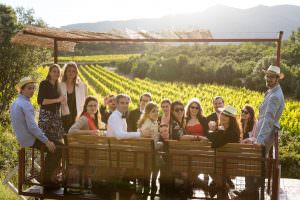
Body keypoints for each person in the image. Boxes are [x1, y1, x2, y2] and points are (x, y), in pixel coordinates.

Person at [236, 65, 285, 200]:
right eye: (267, 76)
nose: (268, 78)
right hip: (264, 133)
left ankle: (249, 193)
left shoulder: (275, 96)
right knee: (254, 162)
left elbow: (268, 119)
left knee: (255, 163)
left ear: (277, 79)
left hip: (266, 135)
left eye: (272, 77)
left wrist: (259, 140)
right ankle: (249, 193)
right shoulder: (271, 91)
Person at [37, 64, 65, 187]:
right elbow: (41, 101)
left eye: (58, 72)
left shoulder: (58, 85)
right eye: (54, 71)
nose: (56, 74)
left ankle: (49, 176)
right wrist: (58, 100)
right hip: (46, 117)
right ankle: (45, 177)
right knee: (51, 147)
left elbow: (60, 102)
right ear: (49, 72)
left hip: (55, 117)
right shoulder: (44, 84)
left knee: (58, 146)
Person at [10, 76, 56, 151]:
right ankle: (46, 163)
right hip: (30, 140)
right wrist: (47, 142)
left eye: (33, 88)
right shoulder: (26, 104)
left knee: (51, 141)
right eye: (29, 88)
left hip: (19, 139)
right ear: (22, 90)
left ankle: (45, 162)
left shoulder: (14, 102)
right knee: (58, 147)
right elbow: (32, 127)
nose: (32, 91)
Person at [206, 105, 241, 199]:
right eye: (222, 114)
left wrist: (216, 131)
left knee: (207, 165)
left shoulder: (230, 133)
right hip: (224, 162)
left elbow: (214, 144)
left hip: (226, 164)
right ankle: (222, 187)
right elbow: (213, 139)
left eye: (226, 116)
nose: (222, 117)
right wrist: (216, 130)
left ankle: (222, 187)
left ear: (231, 119)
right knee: (208, 165)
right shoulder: (228, 130)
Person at [59, 62, 87, 133]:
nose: (71, 73)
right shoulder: (60, 85)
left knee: (75, 137)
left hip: (77, 115)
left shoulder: (82, 86)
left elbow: (86, 101)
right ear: (65, 72)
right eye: (69, 71)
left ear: (76, 73)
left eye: (73, 71)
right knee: (65, 136)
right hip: (64, 116)